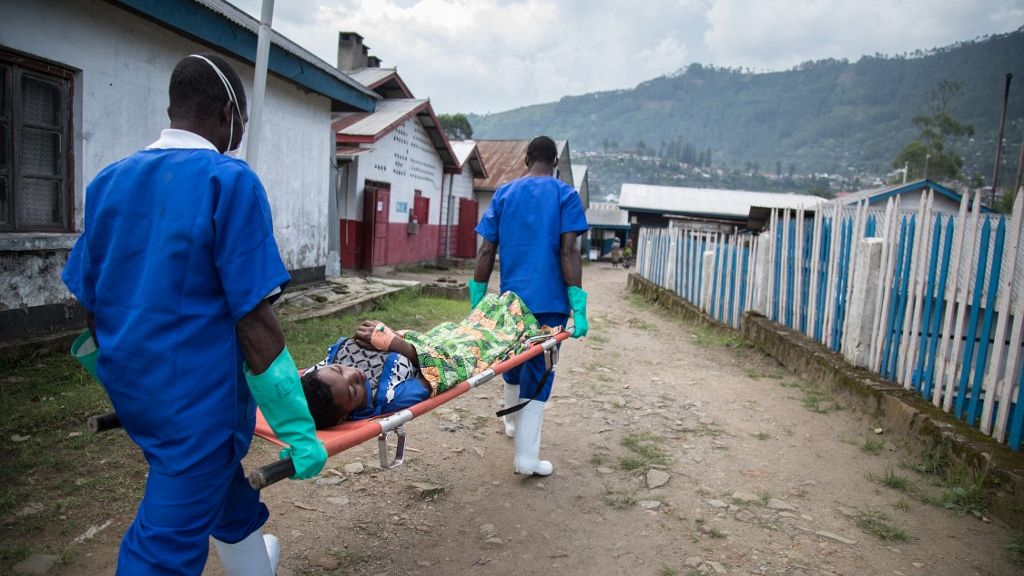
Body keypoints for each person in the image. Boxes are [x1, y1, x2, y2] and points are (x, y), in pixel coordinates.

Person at [62, 54, 326, 576]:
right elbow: (253, 322)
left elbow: (91, 308)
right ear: (228, 113)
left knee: (227, 500)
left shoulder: (108, 182)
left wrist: (127, 384)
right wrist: (297, 429)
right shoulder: (228, 181)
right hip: (198, 412)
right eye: (242, 126)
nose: (239, 137)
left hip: (139, 398)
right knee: (159, 550)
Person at [470, 135, 589, 476]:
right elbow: (569, 252)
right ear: (554, 163)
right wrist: (577, 305)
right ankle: (526, 459)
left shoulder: (504, 194)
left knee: (513, 361)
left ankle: (511, 426)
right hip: (550, 304)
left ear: (525, 159)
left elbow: (486, 251)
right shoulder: (565, 194)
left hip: (511, 302)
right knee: (539, 372)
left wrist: (478, 298)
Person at [302, 291, 558, 428]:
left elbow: (301, 378)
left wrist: (368, 336)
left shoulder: (322, 377)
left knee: (479, 314)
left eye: (338, 369)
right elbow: (433, 379)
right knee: (494, 331)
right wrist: (395, 344)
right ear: (343, 417)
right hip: (444, 354)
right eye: (352, 390)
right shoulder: (389, 396)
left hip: (426, 339)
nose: (352, 375)